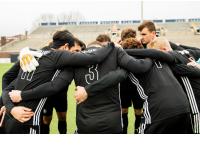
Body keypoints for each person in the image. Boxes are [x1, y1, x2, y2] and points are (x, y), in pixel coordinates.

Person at [8, 41, 153, 134]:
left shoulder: (75, 62)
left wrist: (22, 95)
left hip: (85, 124)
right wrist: (152, 55)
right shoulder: (114, 54)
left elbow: (54, 86)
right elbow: (136, 68)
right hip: (112, 123)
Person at [2, 31, 114, 134]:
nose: (77, 56)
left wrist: (9, 106)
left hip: (11, 118)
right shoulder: (54, 56)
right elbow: (95, 58)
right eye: (74, 52)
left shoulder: (35, 55)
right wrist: (112, 46)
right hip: (26, 119)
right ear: (65, 47)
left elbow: (10, 88)